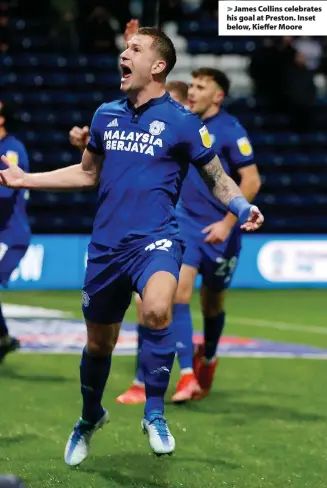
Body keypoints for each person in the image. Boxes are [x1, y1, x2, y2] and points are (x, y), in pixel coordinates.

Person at [0, 28, 264, 464]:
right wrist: (25, 178)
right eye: (126, 49)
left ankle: (154, 412)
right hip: (106, 248)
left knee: (159, 308)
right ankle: (89, 417)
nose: (125, 55)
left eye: (135, 50)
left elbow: (216, 175)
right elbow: (88, 174)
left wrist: (240, 205)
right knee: (99, 346)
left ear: (158, 66)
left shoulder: (182, 122)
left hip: (156, 239)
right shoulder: (106, 114)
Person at [117, 68, 261, 404]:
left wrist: (227, 223)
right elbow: (145, 101)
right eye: (192, 86)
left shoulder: (230, 130)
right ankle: (184, 377)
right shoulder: (184, 122)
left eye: (201, 87)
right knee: (176, 294)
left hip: (221, 230)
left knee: (213, 304)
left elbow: (251, 181)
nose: (192, 92)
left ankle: (207, 357)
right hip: (183, 225)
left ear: (218, 96)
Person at [0, 101, 30, 363]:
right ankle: (3, 338)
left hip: (10, 236)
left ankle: (3, 338)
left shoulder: (12, 149)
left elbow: (6, 190)